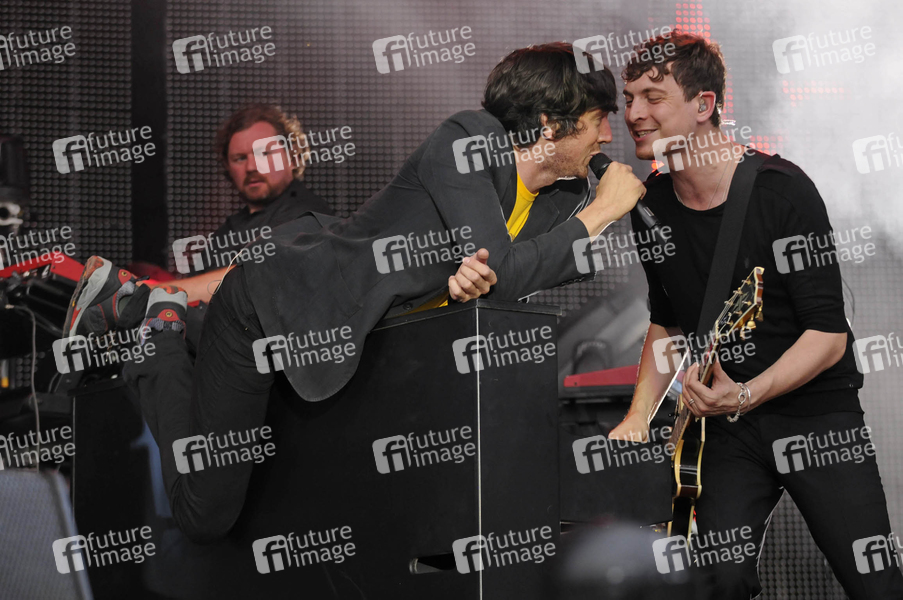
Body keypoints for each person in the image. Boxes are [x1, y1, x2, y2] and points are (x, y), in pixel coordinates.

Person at [66, 41, 645, 542]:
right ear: (549, 123)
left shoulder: (558, 198)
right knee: (205, 513)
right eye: (598, 118)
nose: (607, 134)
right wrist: (600, 212)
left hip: (341, 346)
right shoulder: (467, 140)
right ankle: (158, 335)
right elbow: (514, 269)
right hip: (266, 312)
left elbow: (550, 270)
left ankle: (156, 313)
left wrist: (491, 275)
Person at [610, 30, 903, 599]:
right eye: (628, 99)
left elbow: (828, 336)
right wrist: (639, 415)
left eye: (653, 97)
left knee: (873, 582)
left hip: (816, 418)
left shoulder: (783, 192)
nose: (634, 113)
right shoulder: (651, 205)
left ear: (704, 105)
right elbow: (667, 321)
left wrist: (744, 394)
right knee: (717, 582)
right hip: (728, 429)